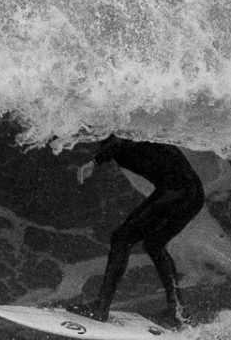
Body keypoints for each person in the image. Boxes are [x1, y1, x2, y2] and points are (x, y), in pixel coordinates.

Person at [67, 134, 205, 328]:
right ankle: (178, 312)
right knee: (154, 244)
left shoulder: (120, 134)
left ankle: (100, 307)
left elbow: (120, 140)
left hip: (177, 191)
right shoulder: (133, 129)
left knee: (121, 238)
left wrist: (94, 162)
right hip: (193, 193)